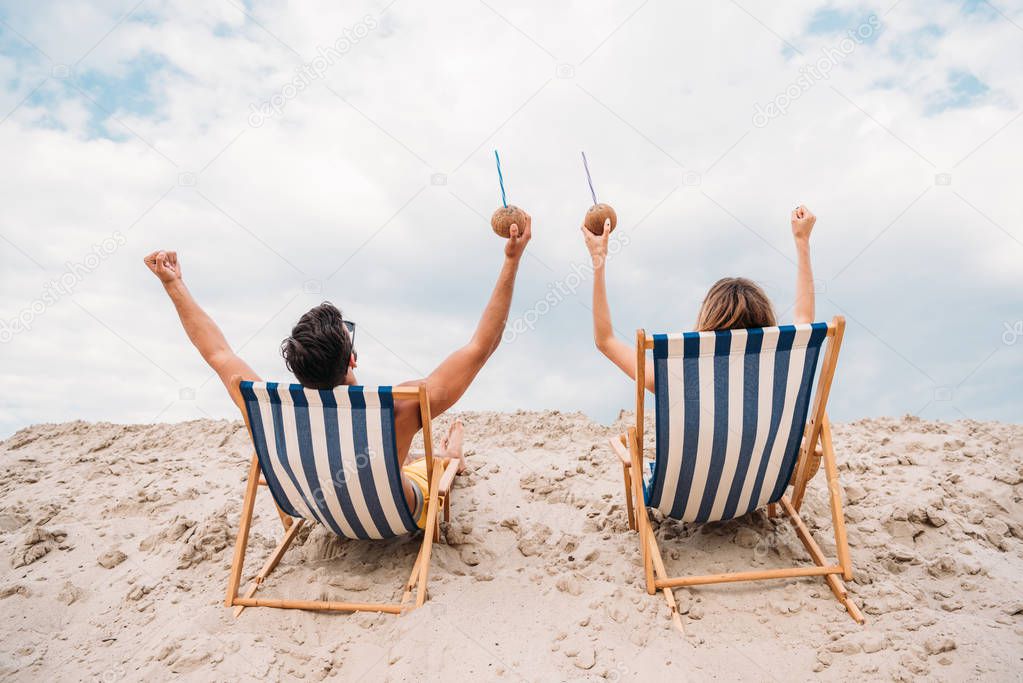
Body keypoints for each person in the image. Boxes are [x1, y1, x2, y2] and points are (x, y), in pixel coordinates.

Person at [144, 215, 532, 528]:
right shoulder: (400, 407)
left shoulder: (268, 406)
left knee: (391, 460)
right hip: (392, 516)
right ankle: (449, 458)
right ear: (352, 359)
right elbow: (481, 347)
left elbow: (215, 351)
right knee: (429, 468)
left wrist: (173, 283)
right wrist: (512, 260)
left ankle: (445, 456)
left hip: (318, 513)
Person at [582, 205, 818, 391]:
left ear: (708, 318)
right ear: (765, 318)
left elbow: (605, 341)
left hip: (698, 455)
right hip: (771, 455)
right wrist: (802, 241)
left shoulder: (682, 377)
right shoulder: (781, 366)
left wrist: (598, 261)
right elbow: (804, 317)